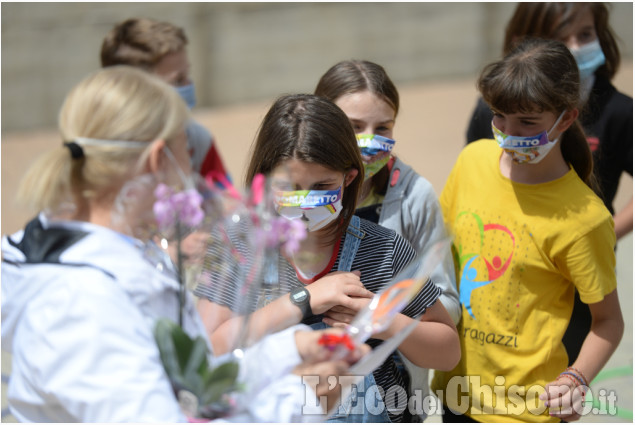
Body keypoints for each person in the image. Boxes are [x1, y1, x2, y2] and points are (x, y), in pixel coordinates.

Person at [1, 66, 368, 422]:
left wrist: (286, 350)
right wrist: (297, 402)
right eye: (187, 153)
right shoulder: (83, 301)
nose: (193, 174)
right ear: (160, 160)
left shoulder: (122, 255)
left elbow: (188, 381)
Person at [195, 94, 460, 422]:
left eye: (322, 186)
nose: (306, 202)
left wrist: (381, 319)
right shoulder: (239, 246)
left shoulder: (385, 250)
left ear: (349, 177)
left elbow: (448, 351)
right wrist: (304, 300)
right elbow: (208, 349)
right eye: (291, 187)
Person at [432, 38, 624, 423]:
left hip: (526, 412)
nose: (507, 132)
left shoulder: (585, 219)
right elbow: (438, 259)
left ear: (567, 118)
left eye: (527, 122)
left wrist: (575, 377)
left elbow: (608, 322)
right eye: (499, 115)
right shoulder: (472, 160)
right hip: (456, 395)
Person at [313, 59, 461, 419]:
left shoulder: (414, 196)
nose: (369, 140)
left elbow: (447, 306)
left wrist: (376, 313)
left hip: (392, 398)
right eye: (354, 126)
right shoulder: (301, 198)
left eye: (383, 127)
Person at [465, 3, 632, 241]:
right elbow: (475, 179)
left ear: (567, 119)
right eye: (560, 38)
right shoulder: (489, 110)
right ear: (522, 46)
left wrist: (604, 235)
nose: (575, 47)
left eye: (585, 34)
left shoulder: (621, 111)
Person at [101, 17, 231, 183]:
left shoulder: (197, 141)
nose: (188, 86)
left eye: (187, 75)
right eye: (177, 80)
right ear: (131, 91)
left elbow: (223, 200)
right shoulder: (98, 156)